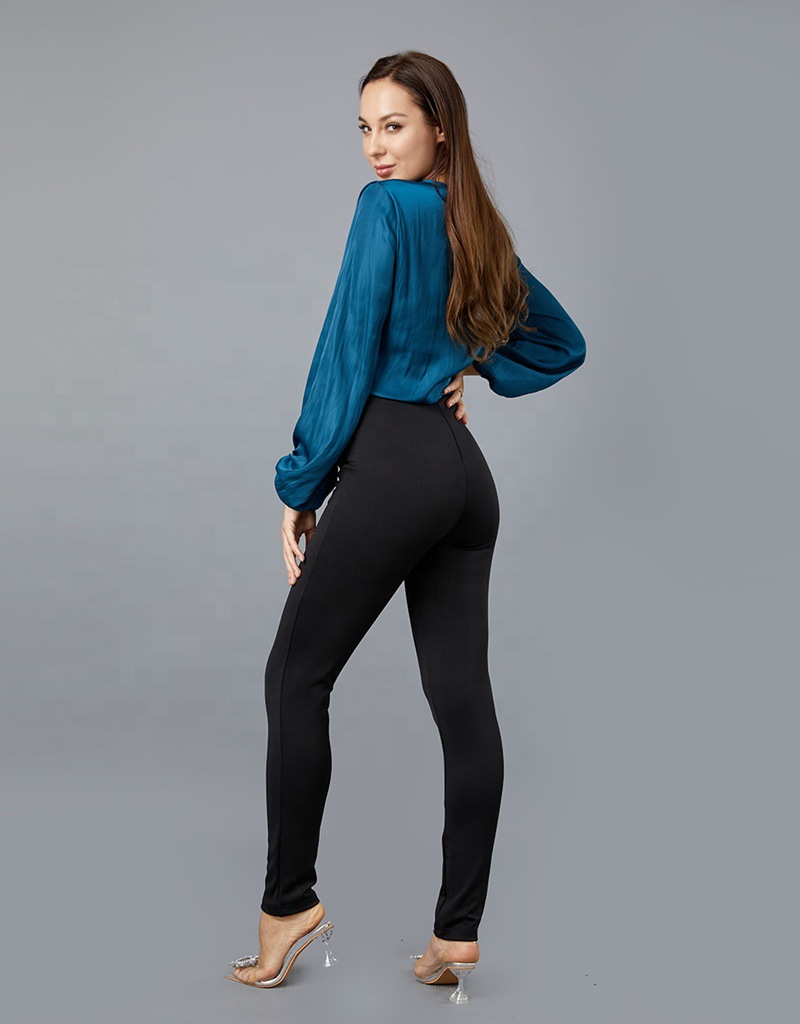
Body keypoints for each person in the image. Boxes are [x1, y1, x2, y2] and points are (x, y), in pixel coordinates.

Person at [226, 50, 586, 1000]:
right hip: (463, 477)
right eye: (364, 129)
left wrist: (300, 482)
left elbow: (346, 350)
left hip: (392, 462)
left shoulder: (383, 210)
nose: (375, 148)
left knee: (295, 676)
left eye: (393, 125)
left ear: (439, 128)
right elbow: (563, 343)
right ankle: (456, 933)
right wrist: (472, 368)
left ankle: (288, 905)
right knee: (463, 700)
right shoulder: (475, 227)